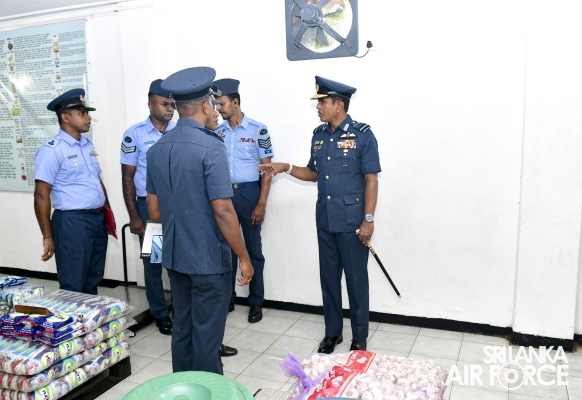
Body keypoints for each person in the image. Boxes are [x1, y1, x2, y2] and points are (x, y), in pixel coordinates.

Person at [258, 76, 381, 353]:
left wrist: (368, 220)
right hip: (325, 220)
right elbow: (313, 173)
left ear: (339, 105)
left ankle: (359, 336)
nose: (318, 107)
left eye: (323, 102)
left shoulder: (362, 135)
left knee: (356, 282)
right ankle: (332, 333)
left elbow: (371, 181)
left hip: (352, 223)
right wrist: (285, 167)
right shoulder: (319, 135)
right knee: (329, 280)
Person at [146, 67, 254, 374]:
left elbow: (154, 210)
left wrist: (169, 242)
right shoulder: (211, 146)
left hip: (176, 256)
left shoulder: (157, 149)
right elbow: (223, 211)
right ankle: (210, 391)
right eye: (213, 104)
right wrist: (244, 258)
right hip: (208, 260)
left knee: (183, 328)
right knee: (207, 336)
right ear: (205, 106)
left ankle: (183, 389)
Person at [34, 88, 112, 295]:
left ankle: (89, 315)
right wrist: (47, 236)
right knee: (73, 283)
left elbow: (96, 181)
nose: (88, 118)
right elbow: (41, 194)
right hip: (72, 223)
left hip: (96, 220)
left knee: (93, 279)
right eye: (82, 113)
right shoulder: (51, 150)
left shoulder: (87, 145)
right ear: (66, 117)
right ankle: (72, 316)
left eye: (87, 113)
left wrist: (107, 215)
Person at [213, 78, 273, 323]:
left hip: (249, 195)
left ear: (235, 102)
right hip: (224, 196)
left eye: (222, 103)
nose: (218, 108)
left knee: (253, 249)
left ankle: (255, 302)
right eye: (216, 104)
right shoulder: (217, 132)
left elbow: (267, 170)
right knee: (225, 249)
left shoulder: (258, 130)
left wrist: (261, 203)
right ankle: (227, 299)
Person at [120, 79, 175, 336]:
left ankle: (181, 309)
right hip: (150, 207)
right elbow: (127, 178)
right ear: (150, 104)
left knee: (179, 259)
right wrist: (134, 216)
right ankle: (160, 313)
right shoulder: (135, 134)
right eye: (164, 104)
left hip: (176, 205)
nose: (170, 109)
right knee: (154, 261)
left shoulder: (178, 131)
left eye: (172, 104)